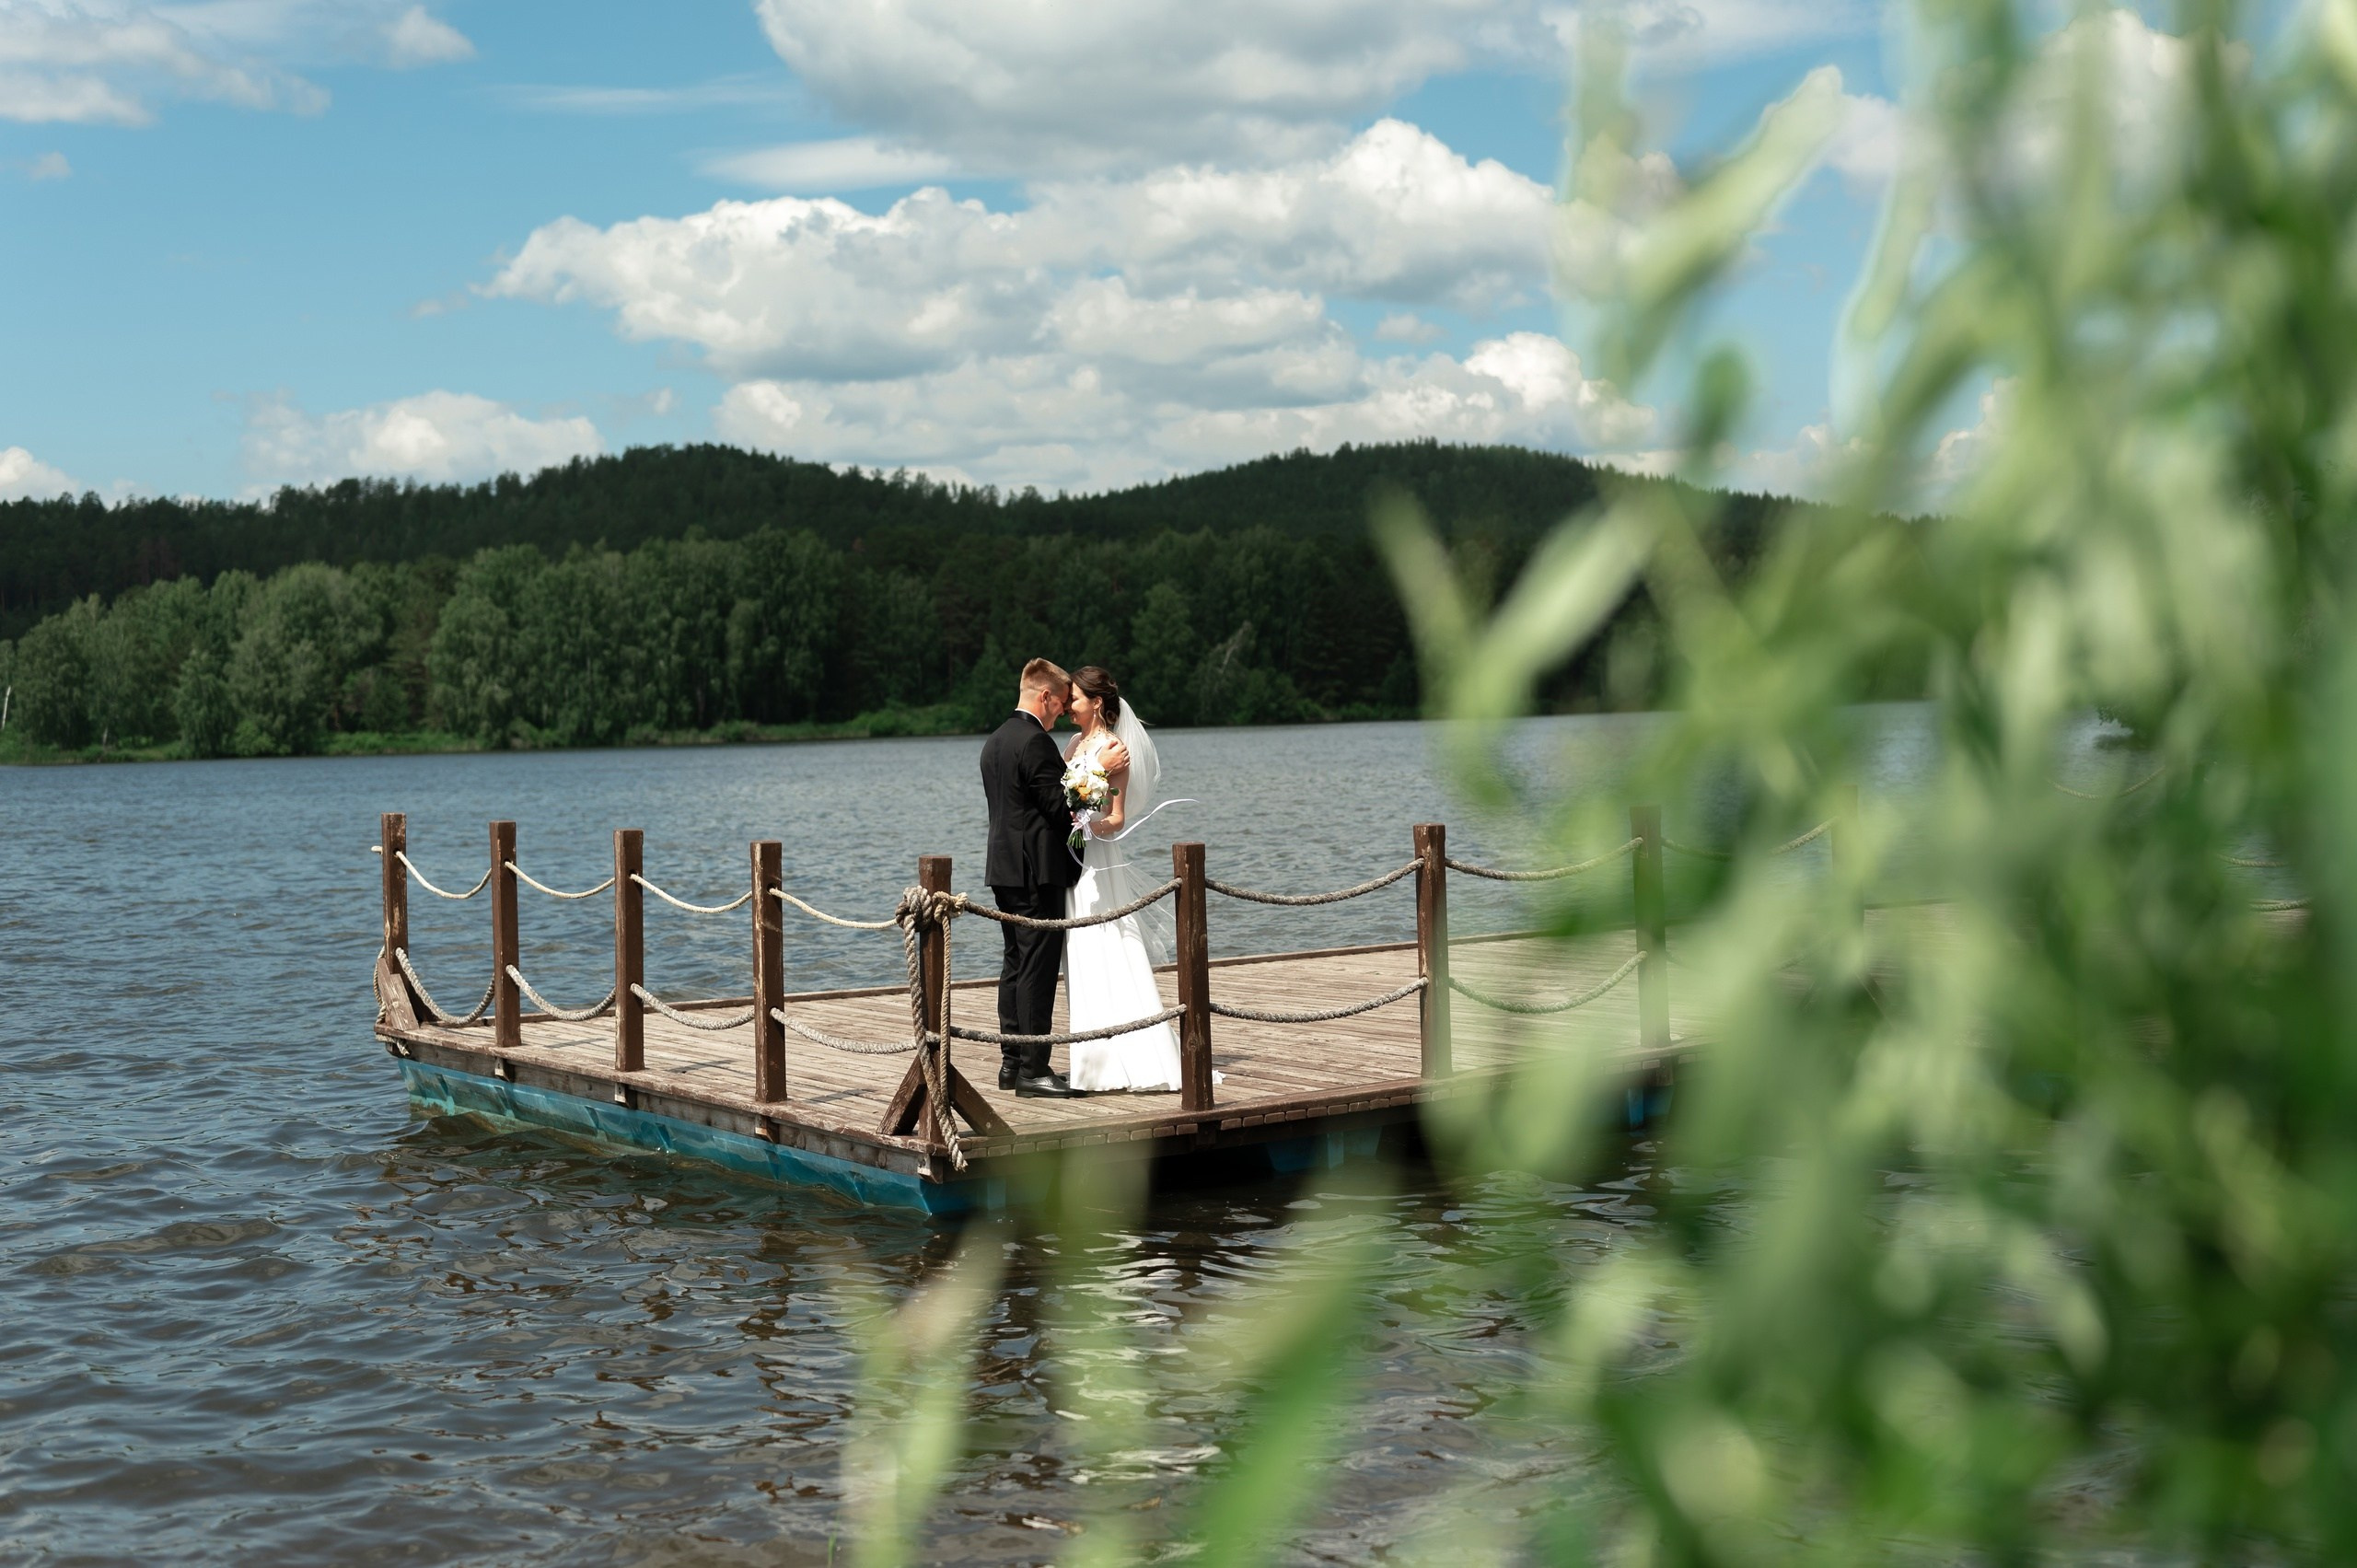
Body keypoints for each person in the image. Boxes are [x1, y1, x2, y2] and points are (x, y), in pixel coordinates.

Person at [978, 657, 1125, 1097]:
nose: (1062, 711)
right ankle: (1033, 1071)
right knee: (1037, 970)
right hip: (1036, 872)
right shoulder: (1035, 743)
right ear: (1044, 696)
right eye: (1060, 703)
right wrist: (1098, 770)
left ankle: (1010, 1063)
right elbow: (1064, 814)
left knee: (1014, 964)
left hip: (1004, 868)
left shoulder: (995, 741)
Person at [1061, 666, 1187, 1093]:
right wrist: (1071, 812)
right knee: (1079, 949)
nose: (1067, 707)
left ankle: (1123, 1058)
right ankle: (1090, 1060)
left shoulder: (1116, 748)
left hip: (1096, 856)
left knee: (1106, 943)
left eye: (1074, 699)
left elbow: (1115, 818)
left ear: (1096, 703)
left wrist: (1086, 821)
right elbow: (1059, 796)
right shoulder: (1076, 743)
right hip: (1072, 858)